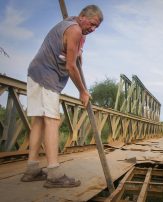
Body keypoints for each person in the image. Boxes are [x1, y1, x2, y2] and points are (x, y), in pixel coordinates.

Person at [21, 5, 103, 188]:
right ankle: (54, 174)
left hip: (35, 72)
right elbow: (71, 66)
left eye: (97, 27)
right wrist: (82, 91)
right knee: (52, 121)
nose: (93, 29)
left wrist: (78, 50)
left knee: (39, 121)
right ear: (82, 17)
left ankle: (32, 169)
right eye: (92, 24)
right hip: (46, 75)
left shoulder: (72, 24)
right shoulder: (74, 30)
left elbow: (70, 48)